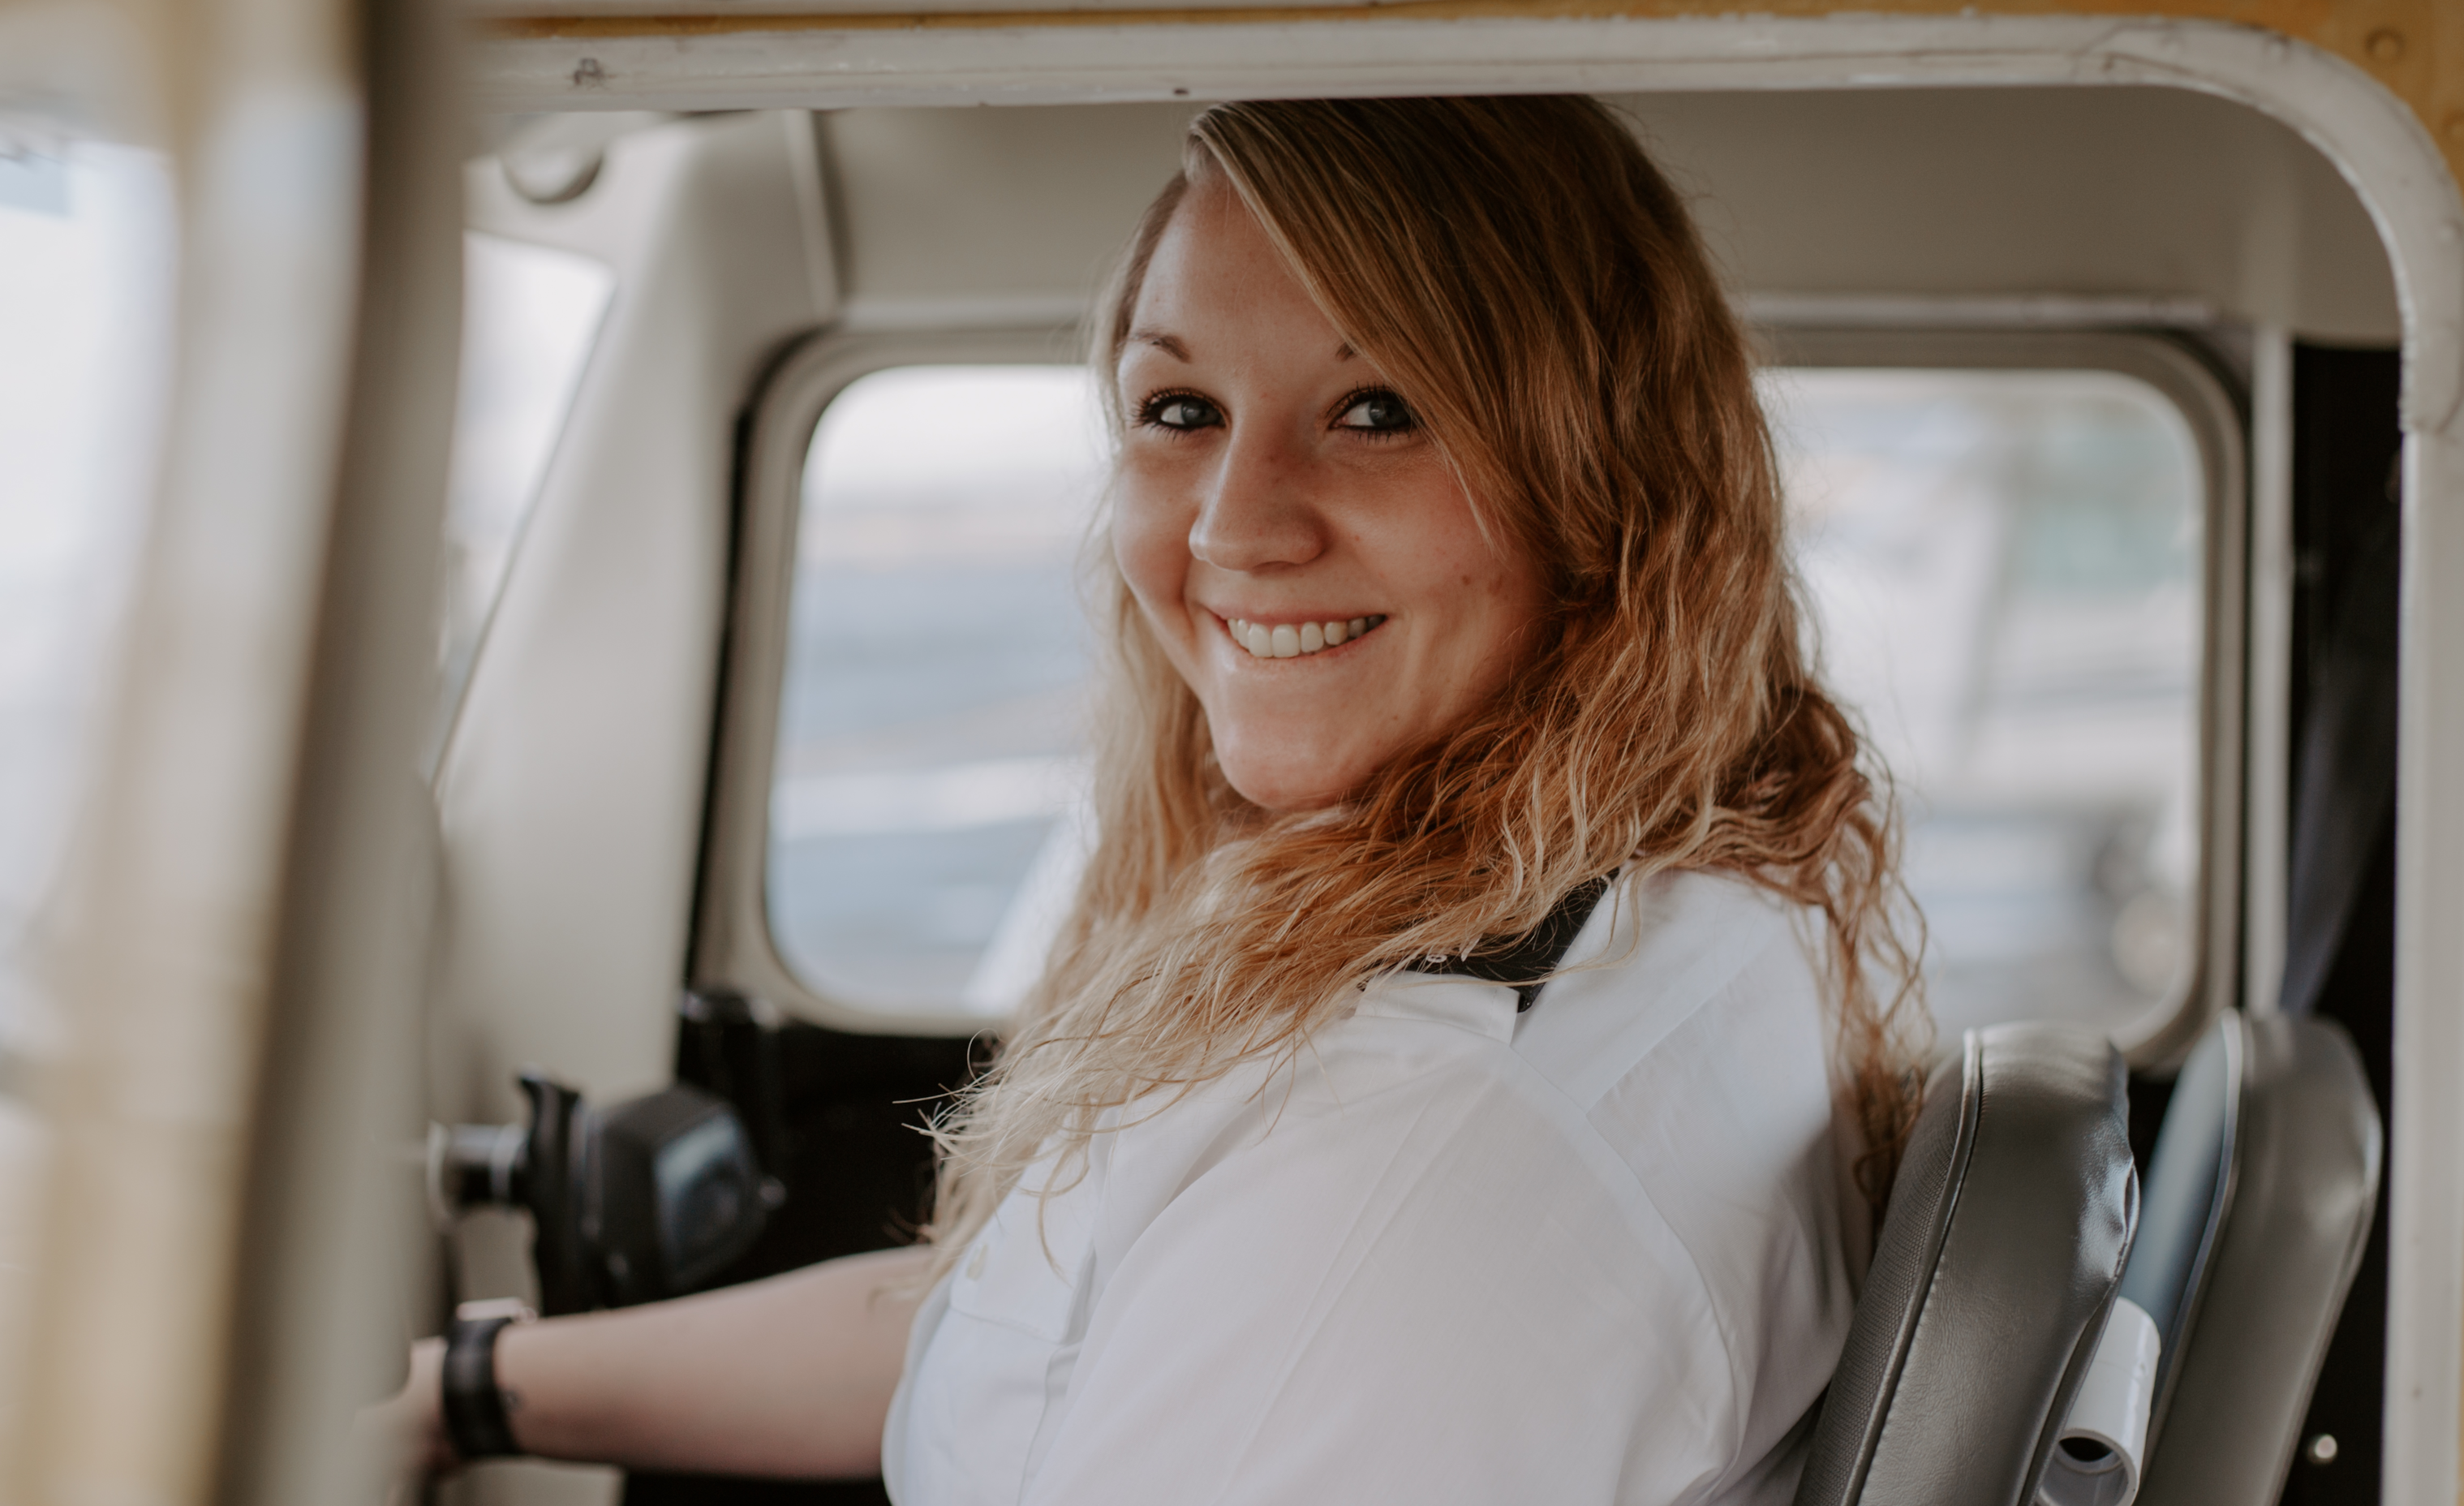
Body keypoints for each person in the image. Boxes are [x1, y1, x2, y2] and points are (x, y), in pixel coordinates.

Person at [371, 94, 1925, 1504]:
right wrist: (470, 1392)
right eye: (1180, 411)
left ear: (1604, 486)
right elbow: (1009, 1315)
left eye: (1378, 407)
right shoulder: (1625, 892)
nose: (1234, 528)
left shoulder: (1403, 1174)